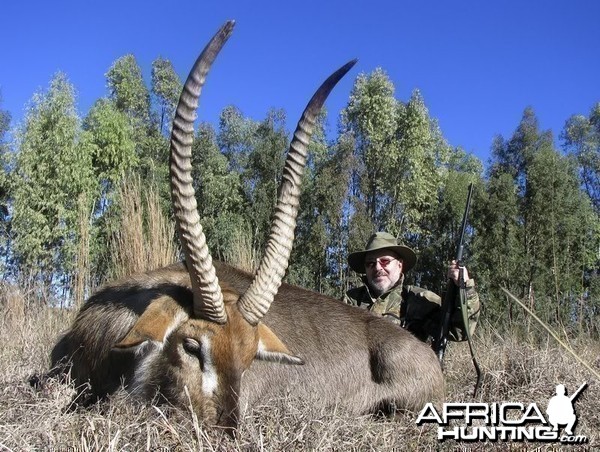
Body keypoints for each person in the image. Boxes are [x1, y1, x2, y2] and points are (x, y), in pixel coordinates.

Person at [344, 231, 480, 344]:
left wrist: (464, 288)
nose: (378, 267)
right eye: (370, 263)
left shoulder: (419, 300)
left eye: (384, 261)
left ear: (399, 265)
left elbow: (458, 332)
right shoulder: (349, 302)